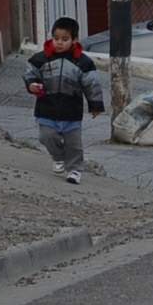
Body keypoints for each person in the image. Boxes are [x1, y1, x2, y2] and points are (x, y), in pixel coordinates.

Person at [24, 16, 104, 185]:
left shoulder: (83, 62)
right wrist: (32, 85)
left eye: (65, 39)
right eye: (56, 38)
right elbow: (30, 74)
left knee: (74, 144)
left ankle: (74, 170)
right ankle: (58, 157)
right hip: (46, 108)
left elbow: (92, 84)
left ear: (74, 40)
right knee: (46, 137)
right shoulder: (40, 59)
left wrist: (95, 105)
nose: (59, 43)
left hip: (71, 111)